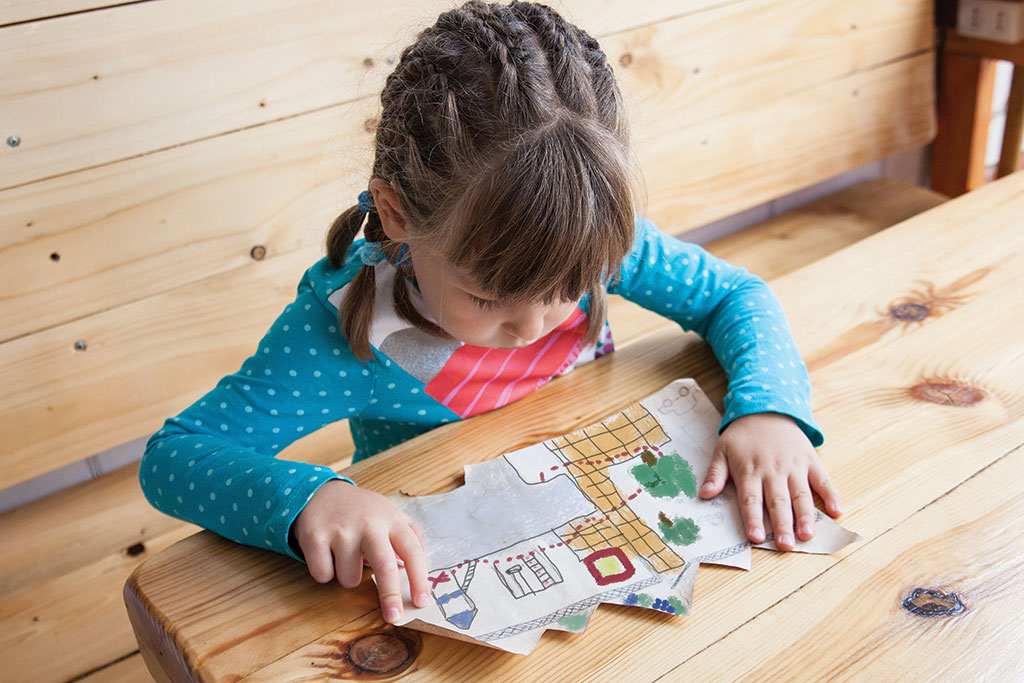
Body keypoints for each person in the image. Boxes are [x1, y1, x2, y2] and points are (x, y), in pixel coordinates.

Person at [140, 0, 842, 626]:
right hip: (434, 591)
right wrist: (311, 501)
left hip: (600, 543)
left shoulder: (581, 236)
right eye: (488, 296)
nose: (536, 325)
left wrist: (770, 409)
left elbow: (737, 294)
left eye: (571, 286)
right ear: (396, 214)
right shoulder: (344, 331)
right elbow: (173, 458)